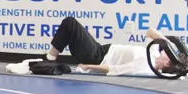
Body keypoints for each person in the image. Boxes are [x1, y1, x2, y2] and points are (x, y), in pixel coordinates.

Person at [24, 17, 171, 77]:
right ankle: (49, 59)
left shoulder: (146, 65)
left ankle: (48, 59)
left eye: (168, 55)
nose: (165, 51)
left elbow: (114, 70)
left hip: (97, 58)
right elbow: (150, 32)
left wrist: (88, 66)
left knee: (70, 23)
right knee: (69, 30)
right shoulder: (153, 53)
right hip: (101, 50)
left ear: (167, 63)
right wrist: (169, 44)